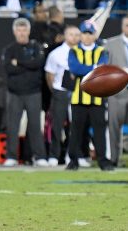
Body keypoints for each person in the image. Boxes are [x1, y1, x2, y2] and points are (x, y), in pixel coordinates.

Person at [66, 21, 113, 171]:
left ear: (94, 35)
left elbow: (101, 70)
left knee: (99, 131)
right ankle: (73, 161)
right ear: (80, 35)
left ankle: (103, 161)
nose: (87, 36)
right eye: (84, 33)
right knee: (76, 131)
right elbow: (75, 68)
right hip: (78, 98)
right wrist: (93, 68)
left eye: (89, 33)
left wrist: (90, 70)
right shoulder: (73, 51)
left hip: (97, 98)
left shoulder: (101, 51)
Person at [1, 18, 48, 167]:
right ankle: (11, 156)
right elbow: (9, 69)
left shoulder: (37, 47)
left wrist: (19, 63)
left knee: (35, 126)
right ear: (14, 31)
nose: (21, 33)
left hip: (33, 92)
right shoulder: (9, 49)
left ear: (28, 31)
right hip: (14, 93)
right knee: (12, 126)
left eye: (24, 30)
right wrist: (28, 64)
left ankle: (39, 156)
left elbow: (38, 64)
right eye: (19, 30)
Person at [44, 25, 80, 166]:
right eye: (71, 34)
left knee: (75, 126)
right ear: (65, 36)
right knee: (57, 125)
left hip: (78, 92)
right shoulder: (56, 53)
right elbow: (49, 75)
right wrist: (56, 91)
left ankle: (73, 156)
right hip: (60, 92)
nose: (74, 37)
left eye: (77, 34)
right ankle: (54, 155)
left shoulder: (83, 52)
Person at [105, 15, 128, 167]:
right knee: (114, 127)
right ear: (122, 26)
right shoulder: (110, 44)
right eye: (127, 25)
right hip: (117, 93)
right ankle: (113, 159)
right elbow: (103, 69)